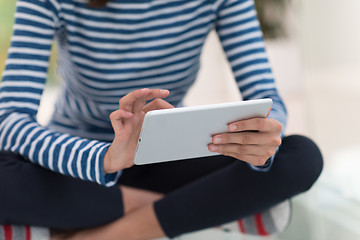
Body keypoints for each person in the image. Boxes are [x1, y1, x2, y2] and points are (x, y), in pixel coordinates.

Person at [0, 0, 323, 239]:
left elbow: (268, 98)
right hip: (81, 165)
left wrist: (262, 136)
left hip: (167, 155)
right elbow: (10, 118)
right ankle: (207, 210)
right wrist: (105, 158)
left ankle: (103, 233)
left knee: (299, 156)